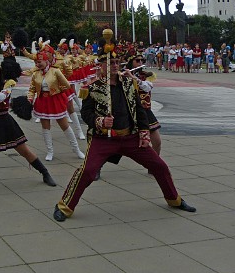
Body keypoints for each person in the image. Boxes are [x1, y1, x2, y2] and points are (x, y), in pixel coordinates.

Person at [53, 32, 196, 222]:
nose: (113, 66)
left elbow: (139, 109)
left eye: (116, 63)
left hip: (131, 138)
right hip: (103, 139)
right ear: (101, 65)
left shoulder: (129, 83)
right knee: (87, 171)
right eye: (109, 63)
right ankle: (64, 206)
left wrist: (144, 132)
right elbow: (86, 114)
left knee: (159, 166)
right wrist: (100, 121)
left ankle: (174, 199)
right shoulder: (92, 87)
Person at [0, 57, 56, 192]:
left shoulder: (8, 83)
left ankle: (45, 173)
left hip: (5, 121)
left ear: (0, 71)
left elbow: (1, 98)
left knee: (24, 151)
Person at [27, 51, 86, 161]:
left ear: (46, 60)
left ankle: (77, 149)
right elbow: (32, 89)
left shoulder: (55, 71)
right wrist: (30, 98)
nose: (37, 64)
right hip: (42, 102)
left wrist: (56, 91)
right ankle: (50, 152)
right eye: (36, 62)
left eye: (39, 62)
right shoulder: (36, 74)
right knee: (45, 128)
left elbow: (67, 84)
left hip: (55, 101)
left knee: (65, 126)